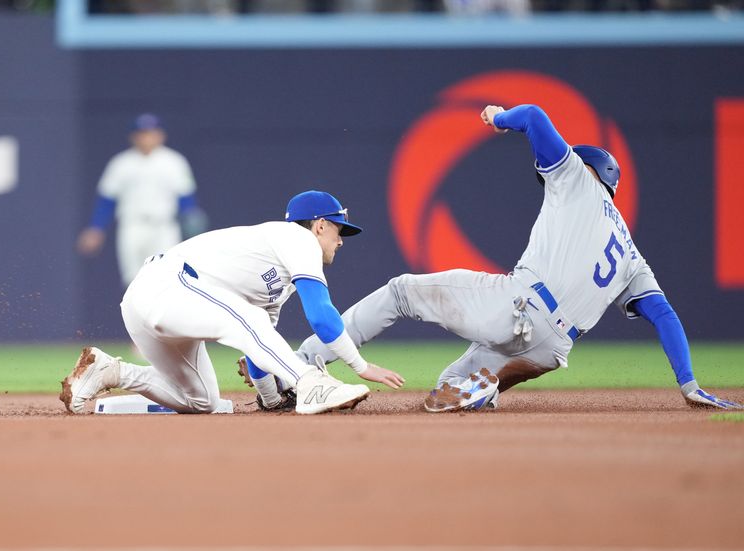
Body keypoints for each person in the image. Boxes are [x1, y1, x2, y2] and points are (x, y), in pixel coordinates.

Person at [283, 104, 743, 413]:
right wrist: (688, 382)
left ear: (588, 169)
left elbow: (536, 118)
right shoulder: (631, 254)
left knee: (401, 291)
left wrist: (501, 116)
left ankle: (303, 363)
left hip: (519, 304)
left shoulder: (578, 180)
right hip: (551, 350)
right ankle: (481, 390)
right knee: (443, 394)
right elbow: (663, 314)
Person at [60, 190, 405, 415]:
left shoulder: (279, 281)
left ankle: (111, 370)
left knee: (202, 401)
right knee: (247, 319)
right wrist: (360, 366)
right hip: (166, 285)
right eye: (338, 230)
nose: (341, 241)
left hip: (156, 304)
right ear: (318, 226)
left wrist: (270, 396)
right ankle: (312, 385)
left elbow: (260, 343)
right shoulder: (295, 238)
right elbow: (322, 316)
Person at [76, 113, 207, 287]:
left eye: (152, 132)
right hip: (132, 226)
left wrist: (193, 227)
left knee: (166, 278)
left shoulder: (174, 161)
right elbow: (107, 200)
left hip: (164, 227)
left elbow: (186, 199)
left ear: (161, 135)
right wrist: (96, 228)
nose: (147, 137)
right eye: (142, 133)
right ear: (133, 136)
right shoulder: (121, 163)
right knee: (133, 281)